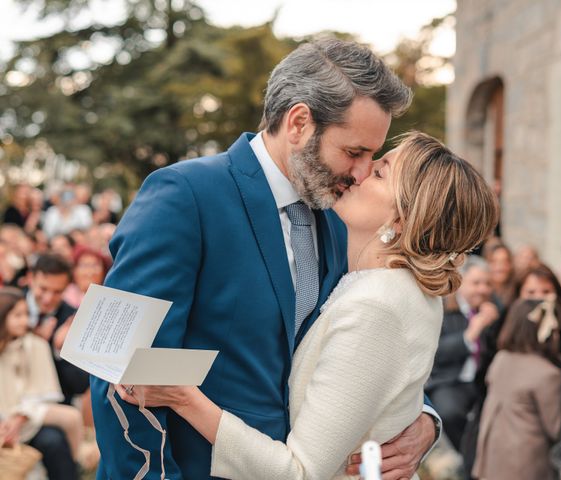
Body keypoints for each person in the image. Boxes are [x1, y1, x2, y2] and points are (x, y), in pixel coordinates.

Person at [91, 39, 441, 480]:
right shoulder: (182, 194)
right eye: (354, 152)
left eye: (372, 156)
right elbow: (114, 365)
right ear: (299, 122)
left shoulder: (337, 219)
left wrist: (425, 418)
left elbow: (362, 347)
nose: (361, 172)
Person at [117, 132, 499, 479]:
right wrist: (419, 417)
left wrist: (183, 397)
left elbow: (299, 471)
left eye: (380, 171)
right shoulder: (378, 272)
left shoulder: (378, 300)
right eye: (358, 151)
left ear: (402, 220)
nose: (362, 171)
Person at [472, 298, 561, 480]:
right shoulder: (548, 374)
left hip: (492, 456)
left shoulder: (501, 359)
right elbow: (557, 428)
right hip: (525, 465)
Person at [0, 287, 82, 480]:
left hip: (31, 420)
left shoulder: (36, 345)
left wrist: (20, 417)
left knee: (53, 441)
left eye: (26, 314)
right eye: (17, 315)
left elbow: (46, 393)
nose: (25, 320)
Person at [424, 255, 500, 451]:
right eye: (476, 283)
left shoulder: (493, 309)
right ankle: (468, 459)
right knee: (450, 412)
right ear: (461, 282)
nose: (483, 289)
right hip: (448, 381)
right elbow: (435, 352)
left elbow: (498, 351)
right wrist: (471, 333)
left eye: (487, 284)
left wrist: (493, 327)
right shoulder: (442, 307)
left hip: (481, 382)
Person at [26, 254, 89, 404]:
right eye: (43, 288)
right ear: (30, 279)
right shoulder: (9, 306)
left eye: (57, 292)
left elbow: (80, 385)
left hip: (54, 404)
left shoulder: (74, 318)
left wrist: (59, 350)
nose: (48, 298)